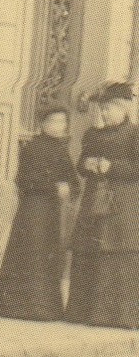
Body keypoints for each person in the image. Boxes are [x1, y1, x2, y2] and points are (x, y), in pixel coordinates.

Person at [0, 108, 77, 321]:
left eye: (62, 122)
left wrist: (69, 187)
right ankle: (20, 308)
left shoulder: (62, 150)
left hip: (52, 211)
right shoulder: (32, 148)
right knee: (30, 252)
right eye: (53, 121)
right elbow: (25, 180)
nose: (58, 126)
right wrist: (55, 187)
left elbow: (73, 179)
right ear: (42, 124)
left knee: (48, 254)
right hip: (33, 209)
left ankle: (46, 309)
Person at [67, 82, 139, 329]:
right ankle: (85, 313)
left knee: (118, 251)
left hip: (123, 203)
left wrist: (112, 167)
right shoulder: (92, 134)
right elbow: (79, 164)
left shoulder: (135, 134)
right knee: (89, 249)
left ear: (124, 108)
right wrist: (86, 165)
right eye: (102, 109)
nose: (104, 114)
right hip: (93, 200)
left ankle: (119, 317)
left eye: (108, 109)